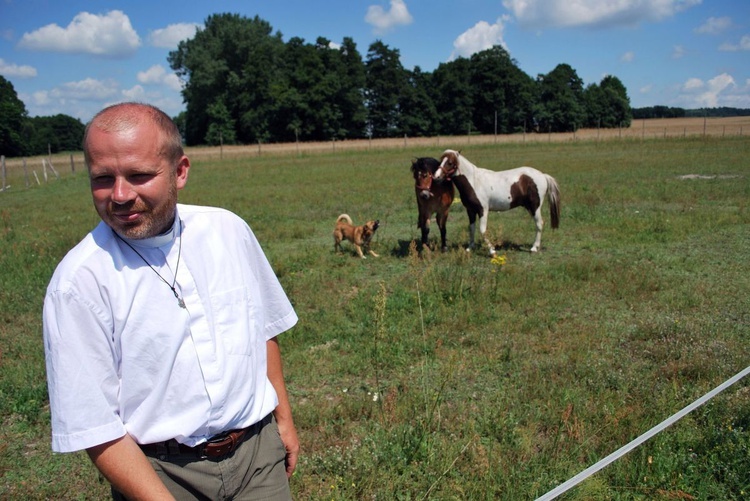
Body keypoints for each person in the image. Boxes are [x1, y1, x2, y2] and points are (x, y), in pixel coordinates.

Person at [43, 102, 299, 500]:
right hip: (159, 476)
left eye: (140, 175)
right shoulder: (79, 283)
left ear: (180, 171)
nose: (120, 195)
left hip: (257, 457)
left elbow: (262, 328)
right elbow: (95, 424)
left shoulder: (227, 231)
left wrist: (283, 418)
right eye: (102, 179)